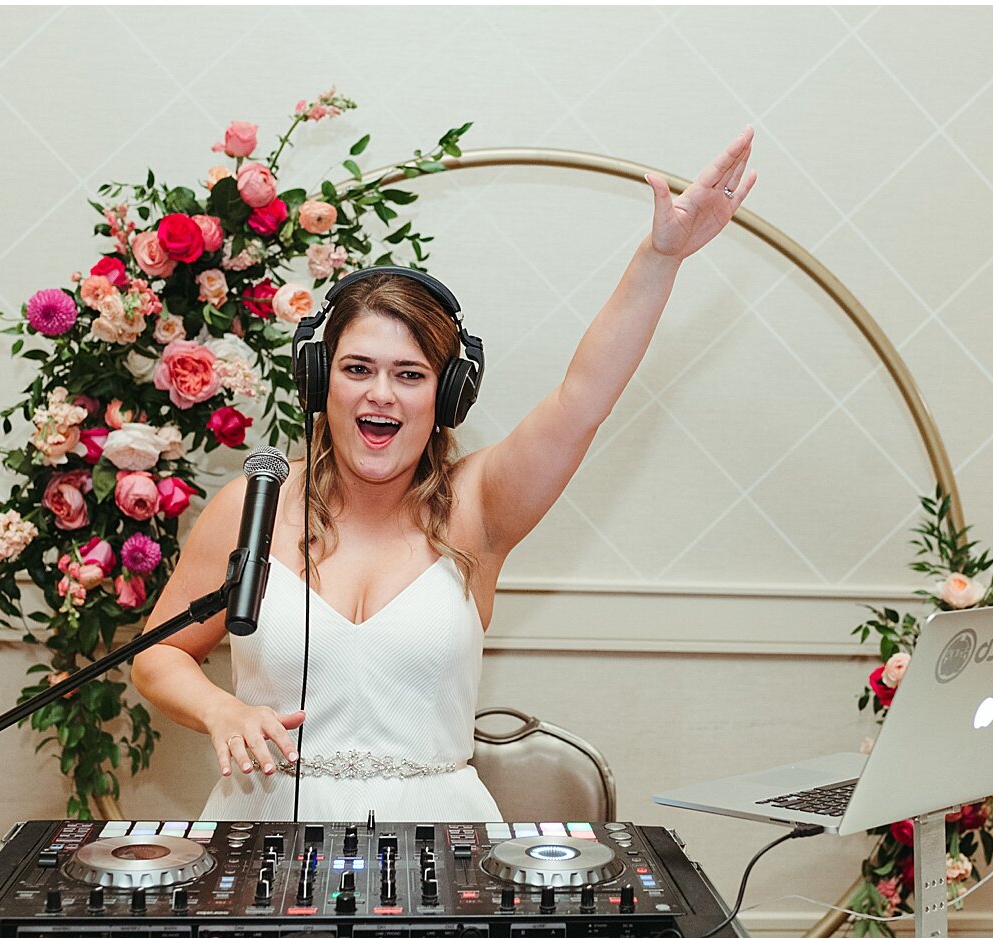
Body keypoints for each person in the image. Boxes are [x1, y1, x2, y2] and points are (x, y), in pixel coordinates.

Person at [132, 127, 759, 821]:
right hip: (260, 832)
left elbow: (583, 399)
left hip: (440, 847)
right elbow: (157, 658)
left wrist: (659, 257)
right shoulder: (251, 505)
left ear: (446, 396)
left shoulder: (480, 506)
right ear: (319, 382)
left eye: (409, 374)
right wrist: (219, 708)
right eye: (357, 369)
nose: (381, 394)